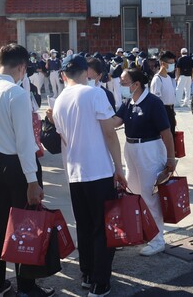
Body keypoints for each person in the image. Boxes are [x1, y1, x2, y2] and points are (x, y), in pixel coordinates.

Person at [0, 44, 54, 297]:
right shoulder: (16, 94)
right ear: (22, 67)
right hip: (19, 166)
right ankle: (26, 286)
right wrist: (32, 181)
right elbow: (25, 142)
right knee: (25, 224)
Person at [53, 54, 126, 297]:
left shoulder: (59, 101)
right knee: (102, 228)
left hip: (75, 173)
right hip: (99, 170)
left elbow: (63, 139)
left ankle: (86, 275)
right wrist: (119, 166)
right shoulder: (94, 94)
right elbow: (109, 133)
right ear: (87, 72)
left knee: (84, 227)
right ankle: (100, 283)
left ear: (63, 75)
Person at [112, 68, 176, 256]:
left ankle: (158, 240)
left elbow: (166, 133)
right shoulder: (128, 102)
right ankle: (140, 233)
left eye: (124, 82)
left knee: (150, 194)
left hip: (150, 149)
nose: (121, 85)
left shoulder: (153, 103)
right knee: (133, 193)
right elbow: (115, 121)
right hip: (131, 149)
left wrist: (171, 159)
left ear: (136, 84)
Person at [150, 51, 177, 140]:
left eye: (174, 63)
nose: (173, 65)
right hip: (163, 111)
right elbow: (155, 102)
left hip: (170, 110)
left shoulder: (168, 78)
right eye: (171, 63)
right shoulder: (157, 79)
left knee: (171, 138)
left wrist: (173, 115)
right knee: (165, 140)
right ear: (163, 63)